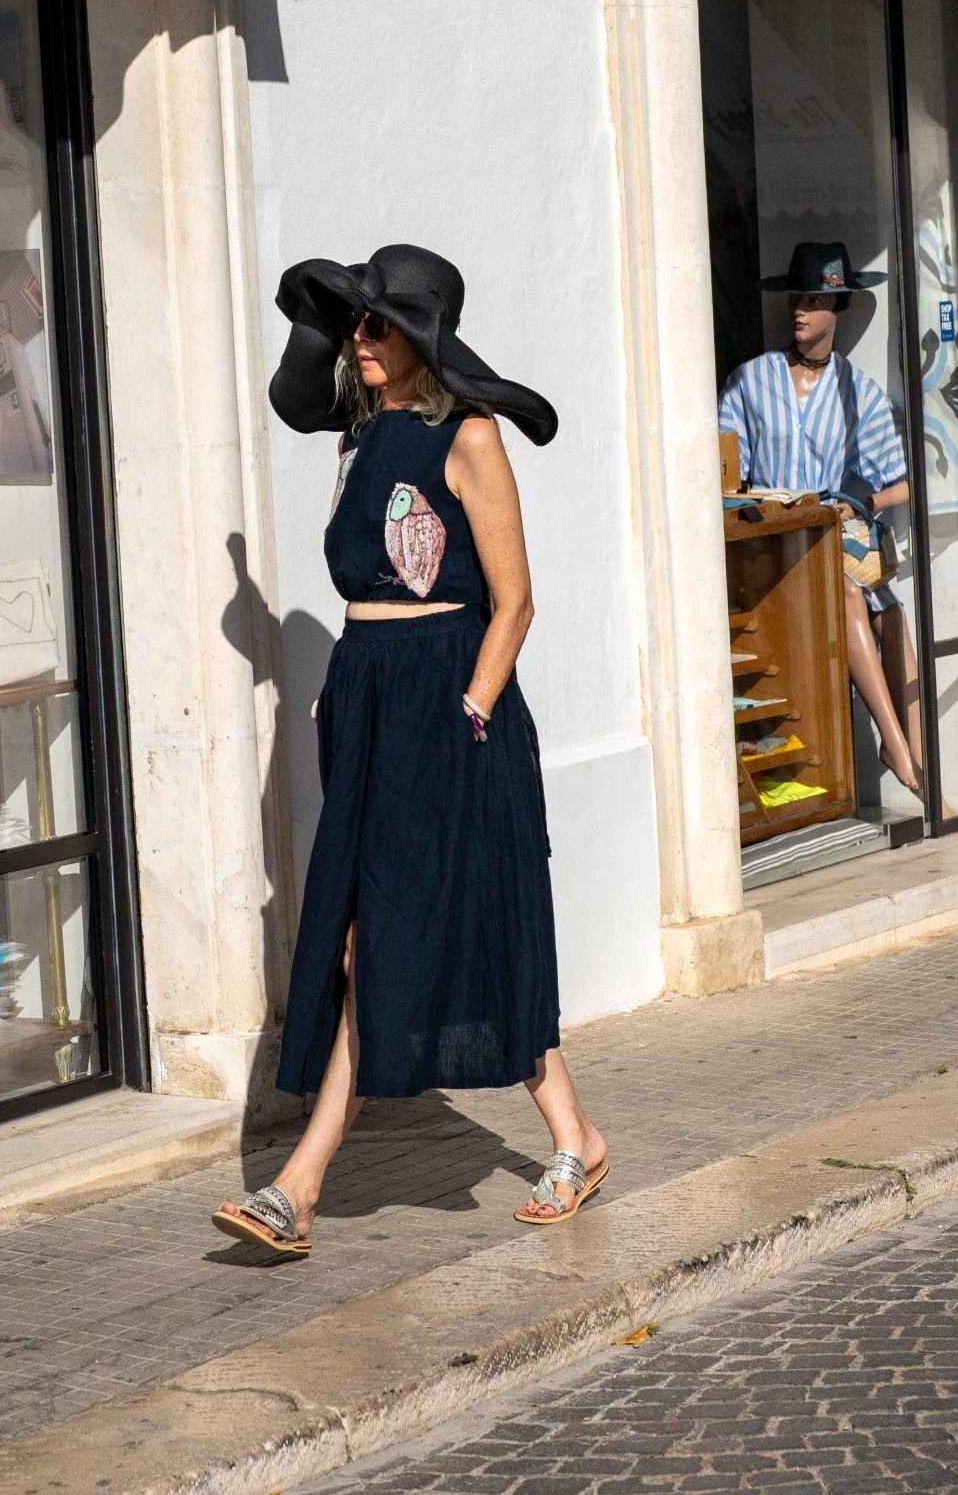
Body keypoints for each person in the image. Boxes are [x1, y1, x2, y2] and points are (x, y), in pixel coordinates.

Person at [212, 243, 609, 1258]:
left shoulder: (469, 437)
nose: (360, 337)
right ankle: (575, 1133)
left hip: (447, 705)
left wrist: (469, 708)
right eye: (355, 322)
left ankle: (297, 1185)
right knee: (395, 935)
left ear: (422, 338)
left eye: (378, 323)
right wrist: (342, 693)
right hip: (369, 704)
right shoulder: (358, 437)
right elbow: (365, 572)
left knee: (392, 938)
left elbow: (515, 603)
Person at [718, 240, 922, 795]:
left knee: (893, 615)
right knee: (851, 594)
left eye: (813, 300)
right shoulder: (751, 380)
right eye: (796, 299)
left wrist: (864, 503)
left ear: (838, 309)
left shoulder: (858, 391)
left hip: (831, 536)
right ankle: (897, 748)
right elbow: (720, 467)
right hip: (770, 544)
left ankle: (922, 765)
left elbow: (906, 483)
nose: (800, 311)